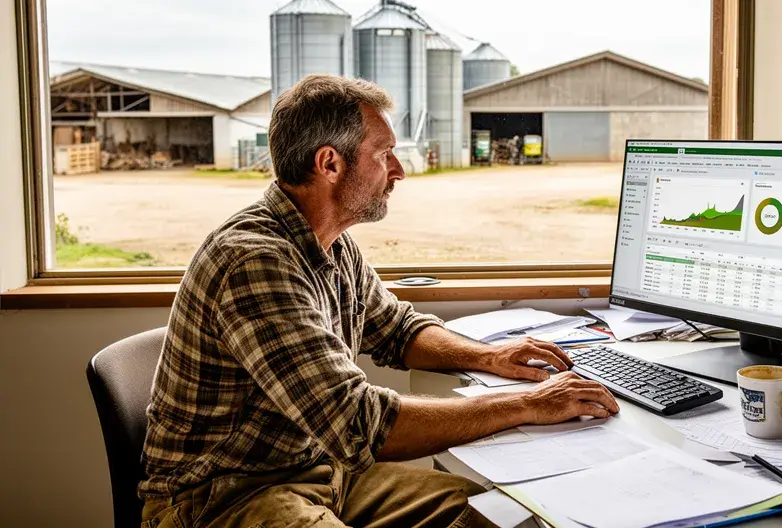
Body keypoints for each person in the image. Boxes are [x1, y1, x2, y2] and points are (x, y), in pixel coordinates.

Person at [139, 74, 620, 528]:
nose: (399, 171)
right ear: (330, 164)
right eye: (384, 153)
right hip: (225, 495)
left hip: (321, 470)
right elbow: (358, 423)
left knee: (494, 513)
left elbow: (397, 329)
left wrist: (489, 356)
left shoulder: (330, 242)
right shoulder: (255, 261)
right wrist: (527, 404)